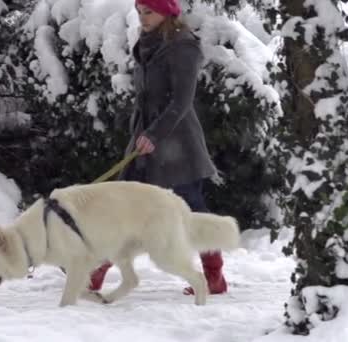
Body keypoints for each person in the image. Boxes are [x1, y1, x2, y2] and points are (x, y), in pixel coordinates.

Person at [88, 0, 228, 296]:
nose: (143, 18)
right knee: (123, 208)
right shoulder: (147, 44)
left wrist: (155, 134)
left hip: (178, 147)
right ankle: (95, 271)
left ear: (168, 12)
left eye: (149, 12)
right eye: (139, 12)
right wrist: (141, 134)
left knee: (192, 212)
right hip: (145, 144)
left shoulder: (183, 47)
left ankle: (213, 276)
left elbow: (181, 101)